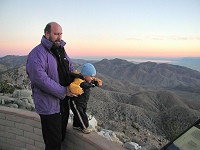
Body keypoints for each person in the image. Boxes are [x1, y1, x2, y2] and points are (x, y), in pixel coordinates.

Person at [26, 22, 76, 150]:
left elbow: (70, 70)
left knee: (60, 138)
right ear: (47, 34)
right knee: (53, 144)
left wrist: (80, 80)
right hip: (49, 107)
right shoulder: (37, 53)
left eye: (60, 34)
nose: (59, 37)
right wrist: (63, 90)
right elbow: (39, 79)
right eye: (55, 34)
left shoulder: (61, 51)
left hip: (63, 104)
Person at [69, 63, 102, 134]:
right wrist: (79, 90)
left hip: (83, 102)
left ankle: (76, 125)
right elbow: (72, 86)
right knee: (82, 115)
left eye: (93, 76)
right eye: (91, 76)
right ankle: (84, 127)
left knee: (79, 114)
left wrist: (98, 82)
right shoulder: (79, 80)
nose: (92, 78)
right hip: (76, 102)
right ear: (84, 76)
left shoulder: (87, 79)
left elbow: (94, 80)